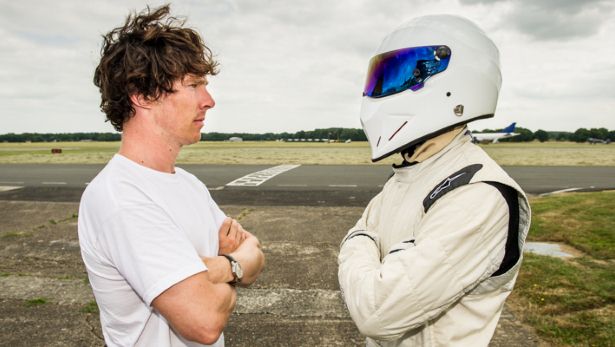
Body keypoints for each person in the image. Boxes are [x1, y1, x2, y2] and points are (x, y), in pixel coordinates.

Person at [337, 15, 531, 346]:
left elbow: (376, 310)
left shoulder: (479, 194)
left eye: (400, 75)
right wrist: (368, 245)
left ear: (455, 82)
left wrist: (356, 240)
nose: (381, 90)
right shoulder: (415, 171)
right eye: (381, 77)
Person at [78, 5, 265, 347]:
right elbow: (205, 321)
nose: (209, 101)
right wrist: (235, 264)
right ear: (142, 96)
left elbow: (256, 255)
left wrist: (219, 267)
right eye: (194, 85)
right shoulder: (121, 199)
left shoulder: (188, 184)